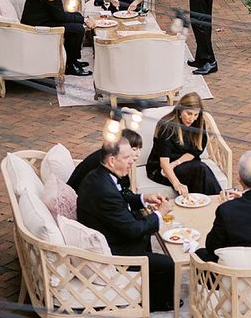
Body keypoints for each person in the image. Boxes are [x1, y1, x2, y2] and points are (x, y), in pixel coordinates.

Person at [76, 138, 175, 313]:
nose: (132, 161)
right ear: (112, 160)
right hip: (113, 252)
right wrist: (160, 214)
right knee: (168, 263)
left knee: (146, 232)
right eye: (127, 157)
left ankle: (148, 288)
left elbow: (121, 197)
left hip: (109, 233)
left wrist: (144, 198)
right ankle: (158, 304)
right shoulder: (104, 190)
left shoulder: (99, 176)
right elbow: (132, 230)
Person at [145, 92, 222, 197]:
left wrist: (176, 163)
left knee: (200, 170)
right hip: (161, 169)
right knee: (200, 170)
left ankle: (209, 203)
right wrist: (177, 184)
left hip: (185, 163)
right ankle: (219, 200)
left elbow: (194, 152)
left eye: (196, 114)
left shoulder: (198, 123)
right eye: (189, 113)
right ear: (180, 110)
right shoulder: (167, 127)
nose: (192, 118)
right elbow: (164, 162)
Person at [68, 128, 143, 193]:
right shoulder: (106, 163)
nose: (138, 154)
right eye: (134, 149)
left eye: (140, 149)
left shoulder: (111, 156)